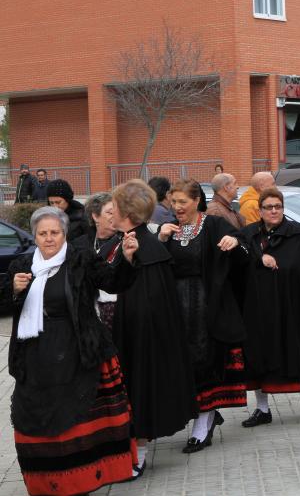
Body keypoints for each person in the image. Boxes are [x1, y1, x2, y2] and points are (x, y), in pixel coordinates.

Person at [5, 206, 139, 495]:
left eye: (55, 232)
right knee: (38, 418)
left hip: (79, 349)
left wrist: (127, 258)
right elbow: (8, 307)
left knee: (78, 418)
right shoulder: (22, 266)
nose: (49, 238)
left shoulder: (81, 259)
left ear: (64, 234)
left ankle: (83, 481)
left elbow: (113, 281)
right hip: (35, 354)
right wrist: (14, 291)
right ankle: (48, 483)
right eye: (43, 233)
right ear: (35, 235)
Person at [111, 180, 198, 478]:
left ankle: (140, 453)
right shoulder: (140, 243)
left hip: (142, 339)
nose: (111, 213)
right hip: (139, 334)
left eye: (116, 209)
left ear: (128, 213)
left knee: (141, 387)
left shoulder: (142, 249)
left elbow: (145, 304)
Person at [158, 179, 248, 453]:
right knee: (182, 364)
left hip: (207, 307)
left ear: (196, 201)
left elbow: (245, 247)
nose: (177, 208)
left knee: (205, 363)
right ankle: (202, 413)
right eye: (173, 202)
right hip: (176, 309)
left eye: (182, 202)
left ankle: (203, 424)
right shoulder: (169, 231)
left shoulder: (212, 225)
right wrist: (159, 239)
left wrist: (235, 240)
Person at [239, 187, 300, 427]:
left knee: (298, 350)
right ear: (259, 211)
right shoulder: (249, 234)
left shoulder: (297, 234)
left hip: (291, 303)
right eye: (268, 207)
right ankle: (262, 409)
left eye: (278, 207)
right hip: (259, 306)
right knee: (259, 355)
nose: (274, 211)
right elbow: (239, 258)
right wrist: (259, 258)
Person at [73, 192, 121, 328]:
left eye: (117, 212)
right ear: (95, 216)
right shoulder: (79, 245)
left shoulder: (125, 241)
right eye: (110, 213)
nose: (115, 216)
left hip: (118, 311)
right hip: (89, 312)